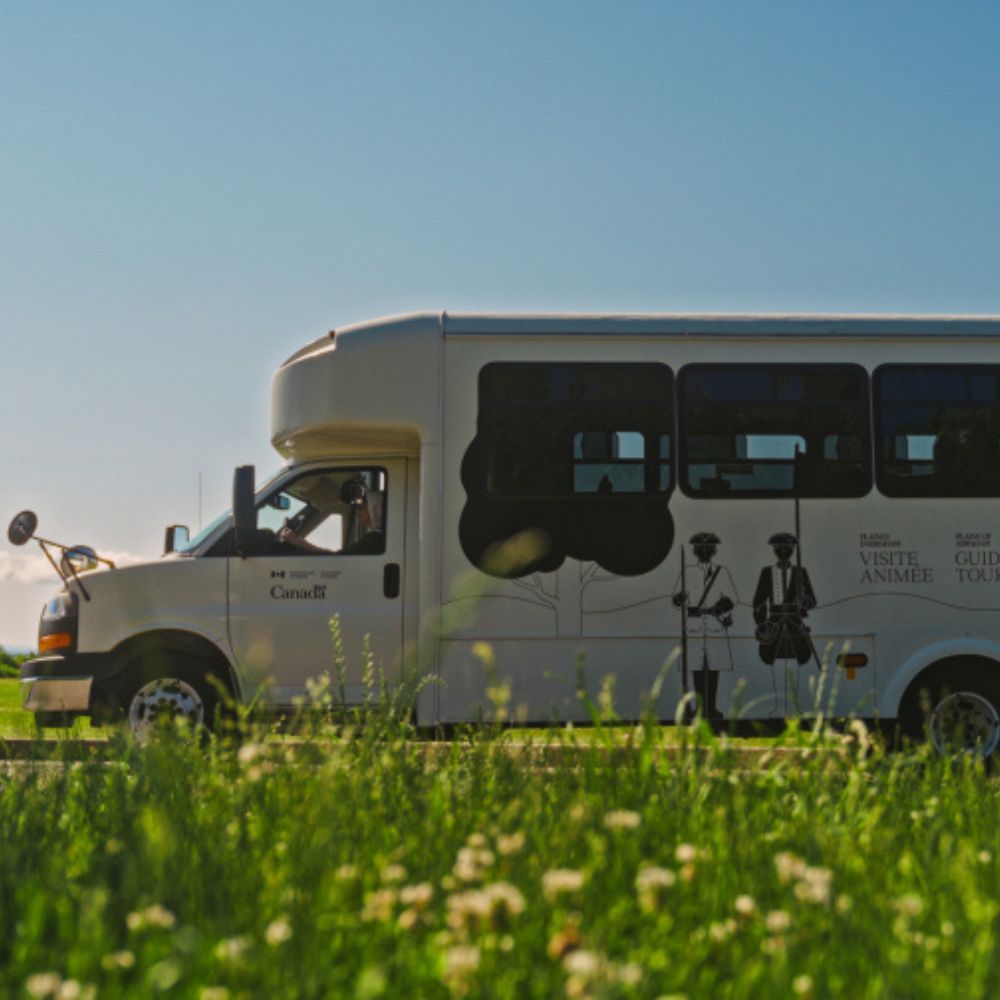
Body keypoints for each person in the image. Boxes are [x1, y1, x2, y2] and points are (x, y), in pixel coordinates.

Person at [672, 531, 737, 720]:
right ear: (695, 551)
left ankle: (711, 707)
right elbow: (676, 601)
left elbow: (733, 598)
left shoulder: (721, 571)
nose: (705, 551)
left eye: (708, 548)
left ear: (714, 550)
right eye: (701, 548)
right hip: (694, 625)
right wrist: (680, 598)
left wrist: (719, 607)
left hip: (714, 625)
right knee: (697, 669)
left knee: (713, 669)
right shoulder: (687, 572)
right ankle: (699, 708)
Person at [752, 533, 816, 666]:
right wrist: (762, 624)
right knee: (768, 657)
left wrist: (804, 601)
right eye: (779, 549)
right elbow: (758, 601)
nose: (783, 552)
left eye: (787, 549)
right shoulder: (767, 572)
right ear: (774, 550)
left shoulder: (800, 571)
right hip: (774, 620)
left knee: (802, 656)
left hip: (794, 620)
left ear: (792, 550)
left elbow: (812, 601)